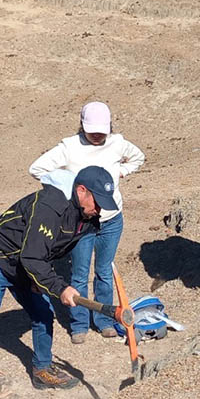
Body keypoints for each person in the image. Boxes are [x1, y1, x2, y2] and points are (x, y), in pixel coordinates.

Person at [0, 165, 119, 399]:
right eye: (97, 201)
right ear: (81, 191)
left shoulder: (85, 219)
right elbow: (33, 256)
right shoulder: (50, 206)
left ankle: (41, 370)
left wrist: (37, 279)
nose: (99, 209)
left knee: (43, 313)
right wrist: (60, 287)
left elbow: (47, 251)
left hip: (23, 265)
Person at [29, 101, 146, 344]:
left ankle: (104, 320)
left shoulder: (117, 143)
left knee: (104, 271)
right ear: (82, 125)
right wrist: (67, 188)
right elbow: (37, 168)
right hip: (82, 223)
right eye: (92, 131)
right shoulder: (70, 147)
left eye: (101, 131)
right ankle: (79, 324)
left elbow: (138, 158)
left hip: (111, 220)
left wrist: (121, 172)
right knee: (80, 274)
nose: (97, 136)